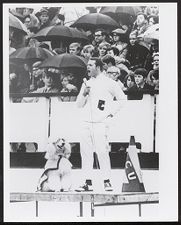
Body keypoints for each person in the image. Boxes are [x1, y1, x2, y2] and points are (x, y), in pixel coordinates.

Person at [75, 57, 126, 192]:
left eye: (91, 65)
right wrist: (84, 94)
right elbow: (79, 105)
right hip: (86, 122)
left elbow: (122, 99)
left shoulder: (110, 83)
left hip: (100, 122)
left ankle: (106, 181)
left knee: (102, 152)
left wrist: (111, 114)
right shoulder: (86, 83)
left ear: (98, 67)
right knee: (85, 153)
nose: (88, 67)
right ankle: (87, 182)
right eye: (88, 65)